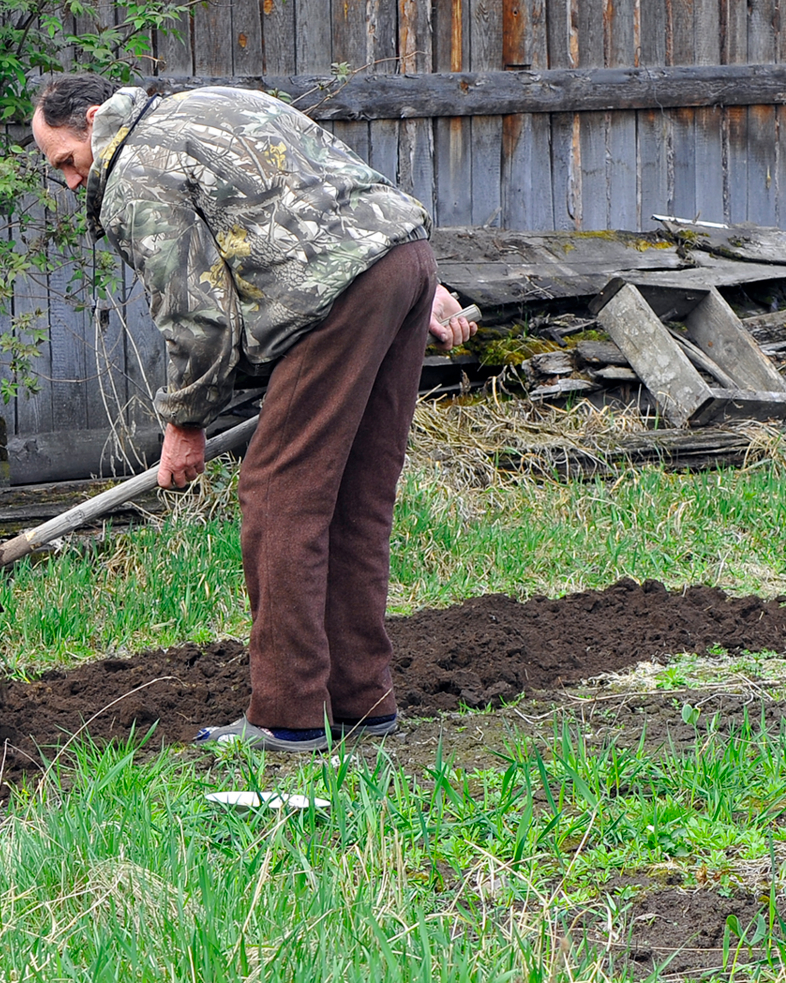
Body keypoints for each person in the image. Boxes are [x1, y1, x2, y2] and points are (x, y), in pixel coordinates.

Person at [32, 74, 477, 752]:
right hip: (403, 258)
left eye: (66, 161)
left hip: (333, 297)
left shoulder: (133, 169)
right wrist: (427, 282)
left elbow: (197, 316)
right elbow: (337, 181)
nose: (69, 182)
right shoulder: (213, 103)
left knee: (278, 496)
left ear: (93, 121)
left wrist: (184, 424)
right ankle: (364, 700)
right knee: (358, 496)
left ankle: (287, 712)